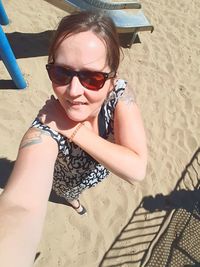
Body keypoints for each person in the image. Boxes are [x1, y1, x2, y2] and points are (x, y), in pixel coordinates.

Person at [0, 10, 147, 267]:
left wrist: (74, 130)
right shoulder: (45, 130)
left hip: (98, 171)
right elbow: (19, 206)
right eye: (61, 73)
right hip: (64, 178)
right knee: (68, 191)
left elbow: (136, 170)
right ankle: (72, 200)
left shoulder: (119, 94)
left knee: (83, 186)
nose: (73, 91)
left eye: (93, 78)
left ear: (112, 78)